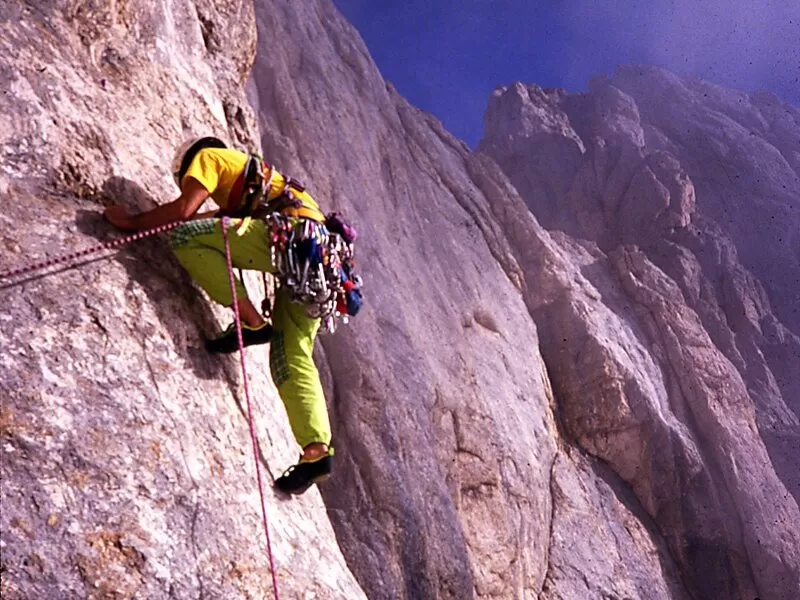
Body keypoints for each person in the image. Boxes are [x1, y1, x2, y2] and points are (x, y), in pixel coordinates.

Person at [104, 136, 334, 495]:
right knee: (291, 354)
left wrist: (133, 221)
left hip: (292, 240)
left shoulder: (209, 157)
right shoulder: (256, 187)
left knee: (184, 237)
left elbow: (185, 213)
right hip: (321, 260)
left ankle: (252, 322)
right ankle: (316, 452)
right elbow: (213, 221)